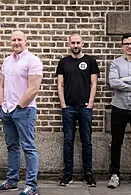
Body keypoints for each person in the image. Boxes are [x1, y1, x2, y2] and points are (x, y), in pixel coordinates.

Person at [0, 30, 43, 195]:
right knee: (12, 147)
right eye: (13, 39)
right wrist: (2, 105)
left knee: (28, 147)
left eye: (19, 39)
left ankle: (31, 187)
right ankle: (11, 182)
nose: (16, 42)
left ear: (25, 41)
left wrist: (19, 107)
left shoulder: (32, 60)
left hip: (24, 110)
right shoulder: (7, 61)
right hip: (7, 110)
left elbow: (34, 88)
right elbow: (2, 85)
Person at [56, 33, 100, 187]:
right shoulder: (63, 62)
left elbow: (94, 84)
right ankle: (68, 174)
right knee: (68, 141)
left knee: (86, 141)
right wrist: (63, 104)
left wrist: (90, 104)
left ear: (83, 44)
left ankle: (88, 174)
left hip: (85, 108)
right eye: (73, 43)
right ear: (69, 44)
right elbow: (60, 84)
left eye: (78, 43)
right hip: (68, 108)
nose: (75, 45)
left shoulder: (90, 61)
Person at [107, 33, 131, 188]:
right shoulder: (115, 63)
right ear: (122, 45)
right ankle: (114, 175)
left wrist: (125, 80)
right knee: (116, 142)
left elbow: (119, 82)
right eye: (126, 43)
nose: (129, 46)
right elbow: (113, 82)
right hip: (119, 107)